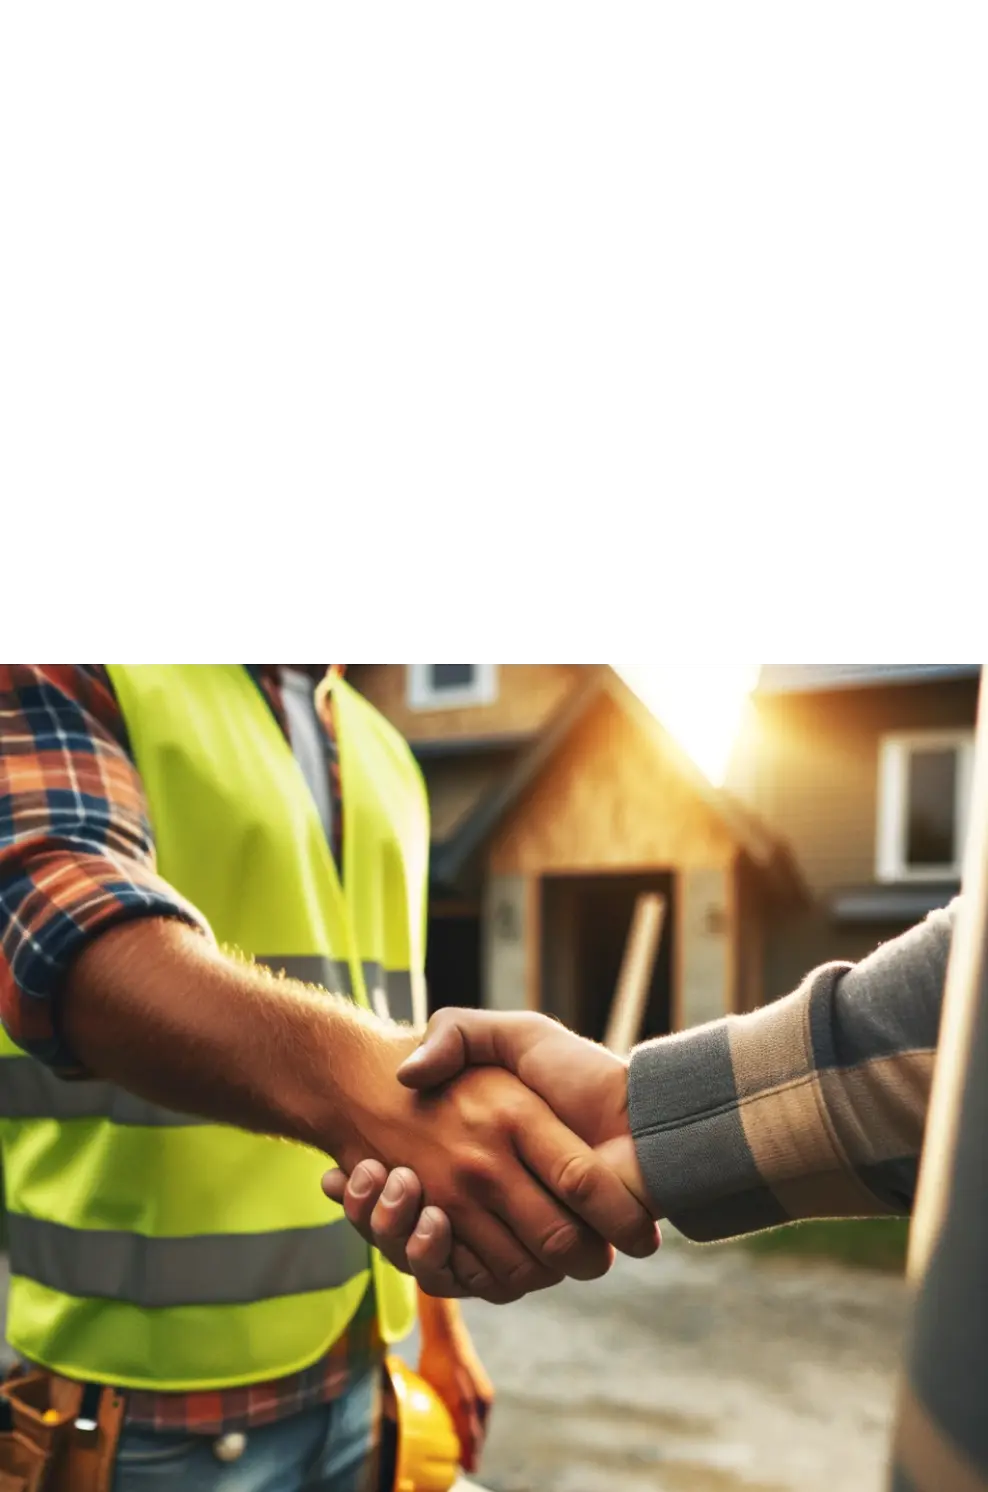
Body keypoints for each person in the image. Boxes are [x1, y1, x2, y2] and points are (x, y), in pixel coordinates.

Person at [0, 664, 658, 1492]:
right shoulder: (80, 676)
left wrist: (440, 1333)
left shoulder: (386, 752)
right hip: (148, 1422)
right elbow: (62, 935)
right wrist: (375, 1097)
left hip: (362, 1385)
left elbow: (408, 1051)